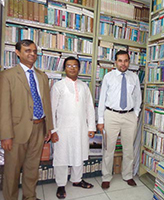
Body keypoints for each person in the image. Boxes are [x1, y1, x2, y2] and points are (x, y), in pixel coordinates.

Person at [0, 39, 53, 200]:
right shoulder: (7, 75)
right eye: (27, 51)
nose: (32, 54)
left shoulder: (42, 76)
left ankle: (30, 196)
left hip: (39, 128)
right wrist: (6, 135)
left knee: (32, 167)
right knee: (12, 170)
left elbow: (46, 103)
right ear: (17, 53)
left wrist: (48, 127)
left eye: (34, 51)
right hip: (17, 131)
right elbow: (3, 107)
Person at [50, 57, 96, 198]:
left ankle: (77, 180)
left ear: (79, 68)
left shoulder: (84, 86)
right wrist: (53, 131)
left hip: (81, 128)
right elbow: (52, 109)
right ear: (64, 68)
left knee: (79, 154)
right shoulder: (58, 86)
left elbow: (89, 108)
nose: (72, 68)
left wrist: (91, 127)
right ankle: (61, 184)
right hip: (62, 129)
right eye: (69, 65)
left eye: (75, 65)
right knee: (61, 156)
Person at [97, 50, 142, 189]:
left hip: (129, 116)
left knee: (128, 148)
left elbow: (137, 98)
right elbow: (102, 99)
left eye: (126, 60)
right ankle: (106, 177)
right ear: (115, 62)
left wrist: (135, 114)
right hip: (111, 115)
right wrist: (100, 120)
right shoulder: (108, 77)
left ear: (129, 61)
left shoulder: (134, 77)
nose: (123, 64)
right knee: (108, 148)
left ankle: (127, 175)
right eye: (120, 61)